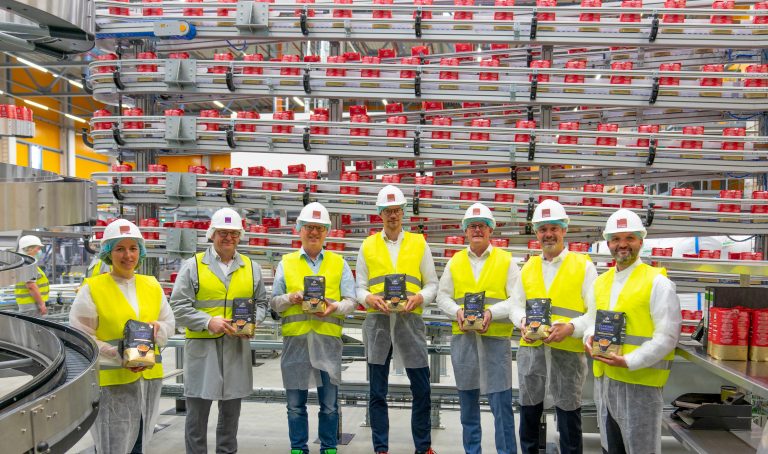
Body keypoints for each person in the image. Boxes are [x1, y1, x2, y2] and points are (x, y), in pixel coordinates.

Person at [70, 219, 174, 453]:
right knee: (113, 447)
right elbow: (81, 337)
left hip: (148, 380)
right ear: (108, 253)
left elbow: (169, 323)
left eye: (133, 248)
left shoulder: (152, 285)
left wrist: (158, 328)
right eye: (120, 248)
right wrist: (118, 355)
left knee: (140, 444)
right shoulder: (93, 289)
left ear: (141, 251)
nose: (128, 255)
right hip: (111, 384)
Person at [170, 207, 268, 454]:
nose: (228, 238)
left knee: (230, 418)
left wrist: (252, 323)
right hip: (203, 351)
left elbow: (262, 303)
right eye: (223, 232)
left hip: (236, 350)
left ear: (240, 236)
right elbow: (178, 307)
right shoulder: (193, 266)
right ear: (211, 234)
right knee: (196, 418)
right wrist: (207, 321)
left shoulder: (251, 267)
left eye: (234, 233)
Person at [583, 208, 681, 454]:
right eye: (616, 239)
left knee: (641, 449)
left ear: (641, 240)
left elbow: (667, 337)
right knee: (611, 447)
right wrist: (588, 337)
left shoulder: (658, 283)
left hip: (640, 385)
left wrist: (628, 361)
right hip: (605, 382)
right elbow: (592, 321)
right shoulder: (600, 282)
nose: (622, 245)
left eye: (629, 238)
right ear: (608, 243)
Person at [355, 185, 439, 454]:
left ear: (403, 213)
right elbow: (359, 287)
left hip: (409, 323)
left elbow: (432, 284)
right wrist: (368, 299)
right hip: (378, 325)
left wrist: (420, 298)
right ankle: (381, 448)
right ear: (380, 214)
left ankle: (423, 447)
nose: (393, 215)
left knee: (422, 391)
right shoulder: (368, 245)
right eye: (387, 211)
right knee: (377, 393)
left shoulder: (418, 243)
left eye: (397, 210)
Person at [510, 199, 598, 454]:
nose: (548, 234)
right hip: (532, 352)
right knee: (528, 414)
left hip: (567, 354)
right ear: (536, 233)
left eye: (554, 228)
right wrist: (522, 321)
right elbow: (516, 305)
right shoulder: (529, 267)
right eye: (542, 229)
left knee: (569, 416)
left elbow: (594, 314)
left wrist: (571, 327)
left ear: (564, 230)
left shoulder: (584, 266)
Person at [270, 202, 356, 454]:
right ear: (299, 230)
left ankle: (329, 448)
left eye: (319, 228)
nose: (314, 232)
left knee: (329, 404)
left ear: (327, 231)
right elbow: (274, 303)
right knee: (295, 405)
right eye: (309, 227)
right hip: (295, 344)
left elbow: (351, 302)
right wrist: (291, 297)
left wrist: (334, 308)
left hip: (328, 344)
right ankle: (298, 448)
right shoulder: (286, 263)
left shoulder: (339, 263)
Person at [437, 203, 519, 454]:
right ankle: (472, 451)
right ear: (465, 230)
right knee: (468, 406)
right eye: (472, 226)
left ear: (491, 230)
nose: (477, 230)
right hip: (464, 342)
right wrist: (457, 312)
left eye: (482, 225)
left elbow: (517, 299)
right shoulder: (455, 261)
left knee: (501, 405)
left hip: (495, 342)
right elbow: (442, 296)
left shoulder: (506, 261)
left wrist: (492, 313)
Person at [14, 235, 49, 316]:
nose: (39, 251)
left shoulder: (26, 262)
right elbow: (31, 286)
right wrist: (41, 304)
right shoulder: (27, 264)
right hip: (32, 306)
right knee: (34, 328)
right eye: (38, 248)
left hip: (31, 305)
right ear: (29, 248)